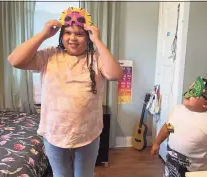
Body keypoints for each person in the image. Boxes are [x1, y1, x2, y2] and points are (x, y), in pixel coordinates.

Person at [7, 7, 122, 177]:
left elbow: (115, 74)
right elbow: (14, 60)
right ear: (62, 35)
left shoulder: (97, 58)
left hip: (88, 133)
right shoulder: (49, 56)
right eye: (67, 32)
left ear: (88, 37)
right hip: (54, 132)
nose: (73, 38)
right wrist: (43, 35)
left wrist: (98, 41)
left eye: (79, 34)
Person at [151, 76, 207, 177]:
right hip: (170, 168)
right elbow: (168, 128)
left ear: (205, 104)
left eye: (194, 92)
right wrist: (157, 143)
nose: (188, 93)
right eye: (189, 89)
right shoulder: (176, 110)